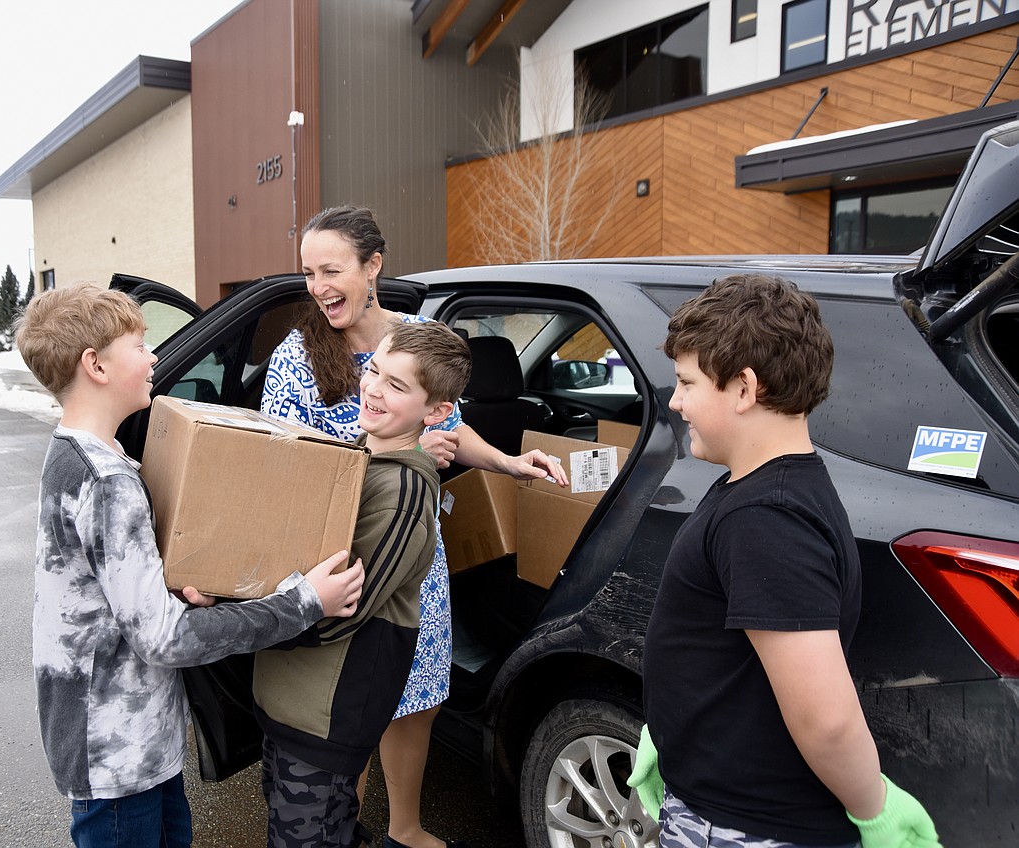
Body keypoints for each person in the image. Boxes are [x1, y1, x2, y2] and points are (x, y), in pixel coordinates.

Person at [15, 282, 365, 848]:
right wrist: (305, 602)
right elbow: (164, 641)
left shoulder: (76, 456)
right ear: (95, 365)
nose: (154, 356)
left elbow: (118, 599)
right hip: (118, 756)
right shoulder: (108, 484)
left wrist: (175, 594)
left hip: (122, 741)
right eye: (138, 344)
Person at [262, 205, 566, 848]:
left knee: (418, 692)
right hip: (349, 557)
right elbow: (285, 464)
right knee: (354, 704)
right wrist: (402, 456)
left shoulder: (419, 334)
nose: (318, 287)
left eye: (331, 270)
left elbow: (448, 423)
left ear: (373, 267)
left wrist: (509, 463)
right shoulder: (295, 355)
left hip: (417, 552)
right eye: (309, 273)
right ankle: (345, 828)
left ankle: (405, 826)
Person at [628, 274, 940, 848]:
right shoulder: (756, 489)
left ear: (744, 388)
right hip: (717, 800)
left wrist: (875, 811)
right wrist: (670, 734)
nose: (674, 401)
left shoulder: (767, 519)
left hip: (744, 827)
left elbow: (825, 717)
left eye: (686, 383)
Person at [254, 319, 471, 848]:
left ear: (438, 412)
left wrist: (249, 623)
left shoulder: (400, 490)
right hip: (294, 705)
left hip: (324, 717)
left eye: (398, 385)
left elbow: (344, 611)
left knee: (311, 832)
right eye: (373, 370)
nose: (373, 388)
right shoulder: (358, 458)